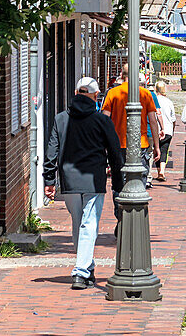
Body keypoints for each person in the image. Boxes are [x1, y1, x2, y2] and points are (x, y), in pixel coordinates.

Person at [43, 76, 124, 289]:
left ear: (76, 93)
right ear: (96, 96)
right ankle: (80, 271)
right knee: (89, 224)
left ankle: (86, 267)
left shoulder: (61, 119)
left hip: (69, 180)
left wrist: (50, 179)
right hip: (93, 179)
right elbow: (115, 153)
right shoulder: (102, 121)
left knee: (79, 223)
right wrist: (118, 182)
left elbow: (52, 150)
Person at [102, 64, 161, 185]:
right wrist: (156, 145)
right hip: (140, 143)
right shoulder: (145, 94)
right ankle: (138, 203)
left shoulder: (113, 93)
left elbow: (104, 120)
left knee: (119, 179)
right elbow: (153, 121)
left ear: (121, 75)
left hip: (117, 143)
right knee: (139, 179)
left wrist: (103, 143)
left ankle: (119, 202)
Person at [154, 79, 176, 180]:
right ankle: (162, 171)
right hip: (168, 129)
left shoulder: (154, 100)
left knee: (155, 150)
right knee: (164, 150)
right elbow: (173, 118)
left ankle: (158, 172)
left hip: (156, 130)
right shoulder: (169, 102)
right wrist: (173, 129)